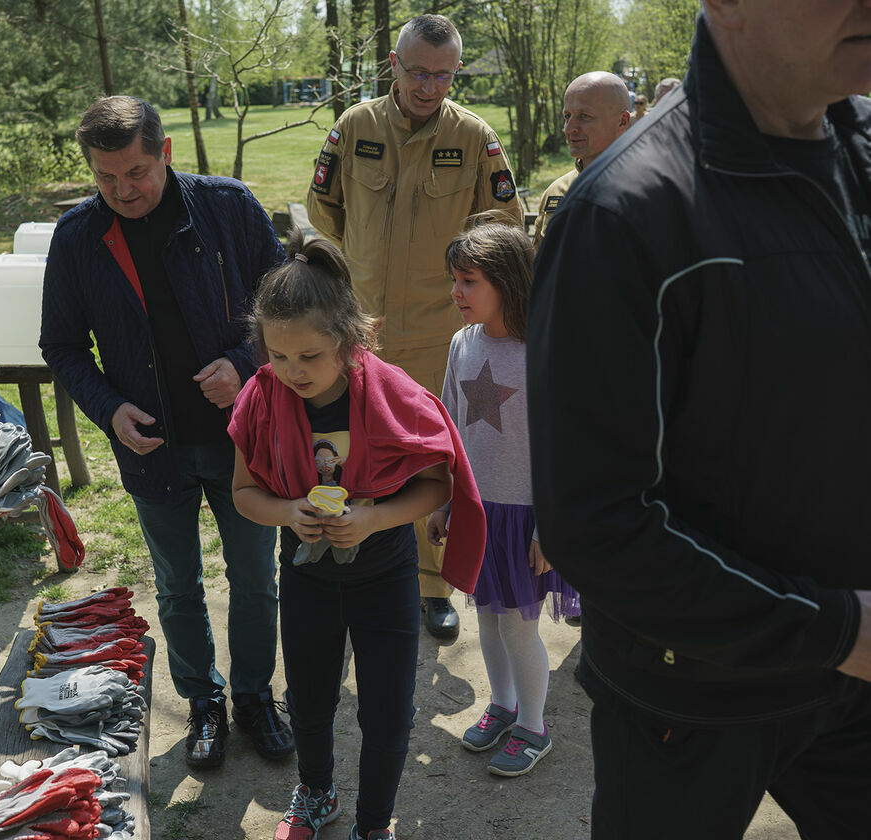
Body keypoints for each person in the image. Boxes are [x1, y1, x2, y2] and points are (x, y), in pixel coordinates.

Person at [529, 2, 871, 837]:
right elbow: (596, 525)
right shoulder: (625, 213)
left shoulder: (862, 152)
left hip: (858, 689)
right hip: (690, 699)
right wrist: (842, 630)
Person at [40, 95, 292, 769]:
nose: (123, 190)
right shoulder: (77, 237)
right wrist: (110, 410)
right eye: (105, 177)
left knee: (254, 577)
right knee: (177, 584)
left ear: (166, 152)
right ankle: (203, 701)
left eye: (137, 172)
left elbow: (288, 308)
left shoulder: (230, 207)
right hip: (152, 448)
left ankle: (254, 698)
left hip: (242, 440)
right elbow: (60, 346)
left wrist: (243, 364)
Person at [230, 232, 484, 840]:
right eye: (278, 355)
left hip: (386, 574)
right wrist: (290, 511)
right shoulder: (262, 396)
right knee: (310, 705)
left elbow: (437, 485)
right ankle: (317, 795)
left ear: (350, 341)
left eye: (310, 358)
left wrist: (371, 519)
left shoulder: (394, 394)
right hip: (307, 574)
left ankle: (374, 824)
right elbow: (244, 495)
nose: (292, 372)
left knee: (389, 714)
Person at [305, 13, 521, 642]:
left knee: (431, 455)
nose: (431, 86)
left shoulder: (474, 137)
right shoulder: (356, 127)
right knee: (351, 446)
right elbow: (327, 210)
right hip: (362, 326)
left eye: (444, 74)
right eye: (419, 71)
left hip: (438, 329)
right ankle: (350, 561)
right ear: (394, 66)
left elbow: (503, 227)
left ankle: (432, 585)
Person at [427, 218, 579, 779]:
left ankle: (534, 728)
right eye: (454, 279)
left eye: (468, 281)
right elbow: (450, 428)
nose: (455, 293)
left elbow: (565, 446)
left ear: (508, 282)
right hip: (476, 509)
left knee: (518, 623)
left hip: (528, 517)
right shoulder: (461, 343)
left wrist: (551, 527)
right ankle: (504, 705)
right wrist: (444, 500)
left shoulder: (545, 349)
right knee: (486, 619)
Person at [532, 72, 632, 251]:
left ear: (622, 121)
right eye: (567, 116)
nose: (569, 129)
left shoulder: (648, 190)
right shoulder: (555, 192)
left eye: (584, 116)